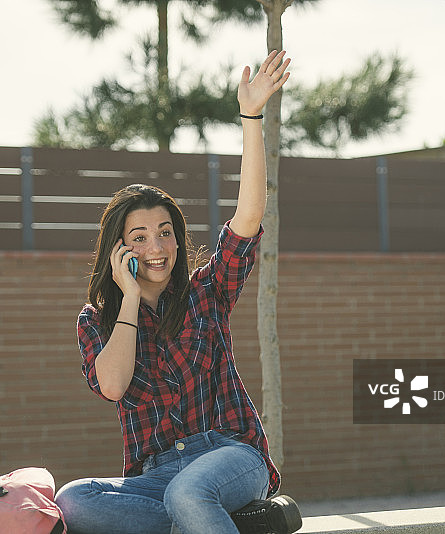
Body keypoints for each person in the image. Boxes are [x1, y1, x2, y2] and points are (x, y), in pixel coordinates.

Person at [55, 50, 301, 534]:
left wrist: (251, 117)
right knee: (74, 501)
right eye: (140, 237)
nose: (156, 247)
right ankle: (215, 523)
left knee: (189, 492)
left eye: (165, 233)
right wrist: (128, 299)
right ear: (118, 248)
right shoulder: (95, 320)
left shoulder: (207, 291)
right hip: (155, 475)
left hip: (230, 455)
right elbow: (112, 386)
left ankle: (202, 512)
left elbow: (249, 218)